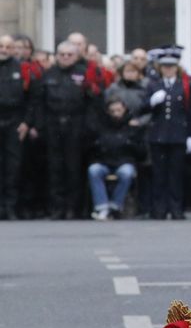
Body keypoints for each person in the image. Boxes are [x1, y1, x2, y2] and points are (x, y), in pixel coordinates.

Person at [33, 41, 97, 219]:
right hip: (53, 123)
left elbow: (91, 103)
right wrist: (40, 126)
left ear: (76, 56)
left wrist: (88, 127)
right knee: (55, 168)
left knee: (73, 168)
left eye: (70, 54)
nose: (66, 58)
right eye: (62, 54)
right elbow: (39, 103)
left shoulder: (83, 74)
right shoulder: (47, 75)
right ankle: (56, 207)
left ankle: (72, 208)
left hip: (75, 124)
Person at [142, 45, 191, 220]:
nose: (168, 70)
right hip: (158, 135)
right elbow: (142, 107)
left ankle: (176, 208)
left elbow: (190, 111)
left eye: (171, 66)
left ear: (176, 67)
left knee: (176, 175)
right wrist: (151, 101)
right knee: (159, 174)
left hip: (178, 135)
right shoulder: (154, 85)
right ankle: (158, 209)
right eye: (165, 66)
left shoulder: (184, 86)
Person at [86, 98, 145, 220]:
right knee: (94, 170)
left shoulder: (132, 125)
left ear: (124, 110)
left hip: (124, 161)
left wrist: (129, 144)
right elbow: (92, 146)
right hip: (104, 161)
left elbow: (141, 151)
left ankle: (115, 205)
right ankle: (102, 207)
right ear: (108, 112)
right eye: (112, 111)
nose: (116, 114)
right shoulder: (102, 125)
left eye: (119, 110)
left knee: (126, 172)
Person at [0, 35, 37, 220]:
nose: (4, 50)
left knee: (13, 168)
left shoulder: (22, 69)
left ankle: (11, 208)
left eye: (8, 46)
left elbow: (32, 99)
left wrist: (26, 122)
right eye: (1, 46)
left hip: (15, 121)